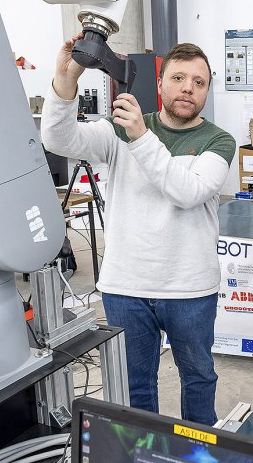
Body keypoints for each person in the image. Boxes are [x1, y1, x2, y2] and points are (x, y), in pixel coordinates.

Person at [41, 36, 236, 425]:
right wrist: (66, 81)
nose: (188, 89)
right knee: (136, 385)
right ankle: (147, 453)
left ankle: (197, 452)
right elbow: (57, 138)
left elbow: (187, 192)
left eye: (199, 83)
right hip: (126, 287)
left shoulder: (218, 140)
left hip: (189, 287)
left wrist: (142, 139)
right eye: (179, 78)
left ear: (207, 92)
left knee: (198, 378)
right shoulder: (120, 129)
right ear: (161, 83)